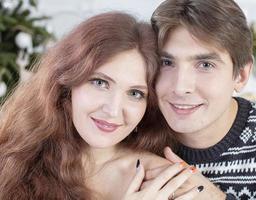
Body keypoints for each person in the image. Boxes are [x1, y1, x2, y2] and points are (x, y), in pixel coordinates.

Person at [0, 12, 202, 200]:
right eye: (100, 83)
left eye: (135, 93)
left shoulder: (161, 182)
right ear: (67, 84)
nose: (113, 110)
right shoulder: (13, 154)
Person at [150, 0, 256, 199]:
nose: (181, 87)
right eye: (166, 62)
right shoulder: (129, 131)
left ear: (241, 75)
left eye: (205, 65)